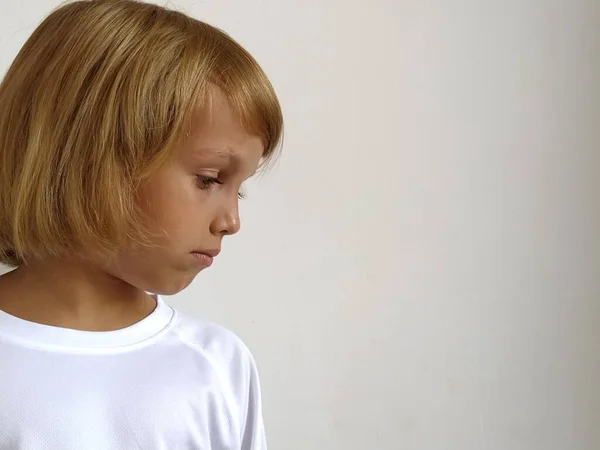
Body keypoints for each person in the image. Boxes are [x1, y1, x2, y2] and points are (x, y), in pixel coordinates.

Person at [0, 0, 282, 448]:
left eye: (239, 188)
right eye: (209, 180)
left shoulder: (217, 366)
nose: (231, 222)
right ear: (88, 160)